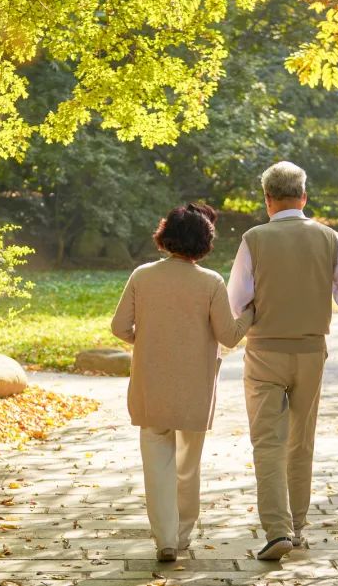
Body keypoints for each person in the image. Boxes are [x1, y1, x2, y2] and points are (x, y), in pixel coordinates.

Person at [227, 161, 338, 561]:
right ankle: (300, 528)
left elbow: (236, 301)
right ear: (304, 197)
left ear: (267, 199)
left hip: (264, 352)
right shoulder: (328, 238)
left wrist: (222, 346)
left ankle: (277, 530)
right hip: (310, 354)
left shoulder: (254, 238)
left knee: (267, 443)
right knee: (301, 442)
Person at [111, 203, 254, 564]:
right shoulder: (210, 282)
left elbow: (119, 327)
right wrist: (250, 312)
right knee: (188, 465)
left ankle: (165, 540)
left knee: (156, 464)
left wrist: (144, 341)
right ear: (204, 242)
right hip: (194, 387)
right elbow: (228, 334)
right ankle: (184, 533)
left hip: (151, 385)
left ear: (165, 236)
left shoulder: (142, 276)